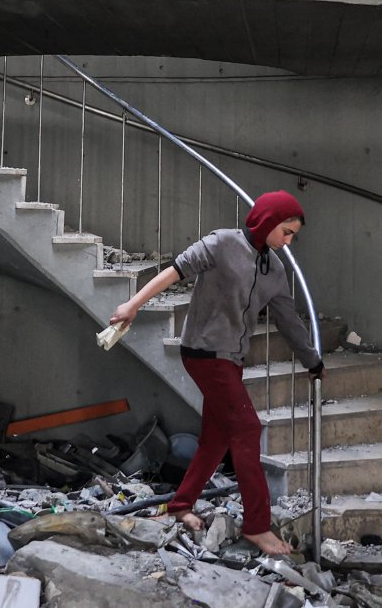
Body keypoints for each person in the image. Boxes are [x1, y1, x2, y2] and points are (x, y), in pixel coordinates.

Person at [110, 189, 323, 555]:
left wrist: (312, 360)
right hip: (205, 353)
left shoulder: (274, 269)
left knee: (216, 436)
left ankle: (180, 505)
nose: (289, 241)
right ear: (268, 222)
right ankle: (257, 525)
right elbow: (175, 272)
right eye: (286, 231)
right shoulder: (223, 243)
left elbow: (288, 320)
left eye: (293, 235)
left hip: (232, 359)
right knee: (247, 428)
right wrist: (132, 305)